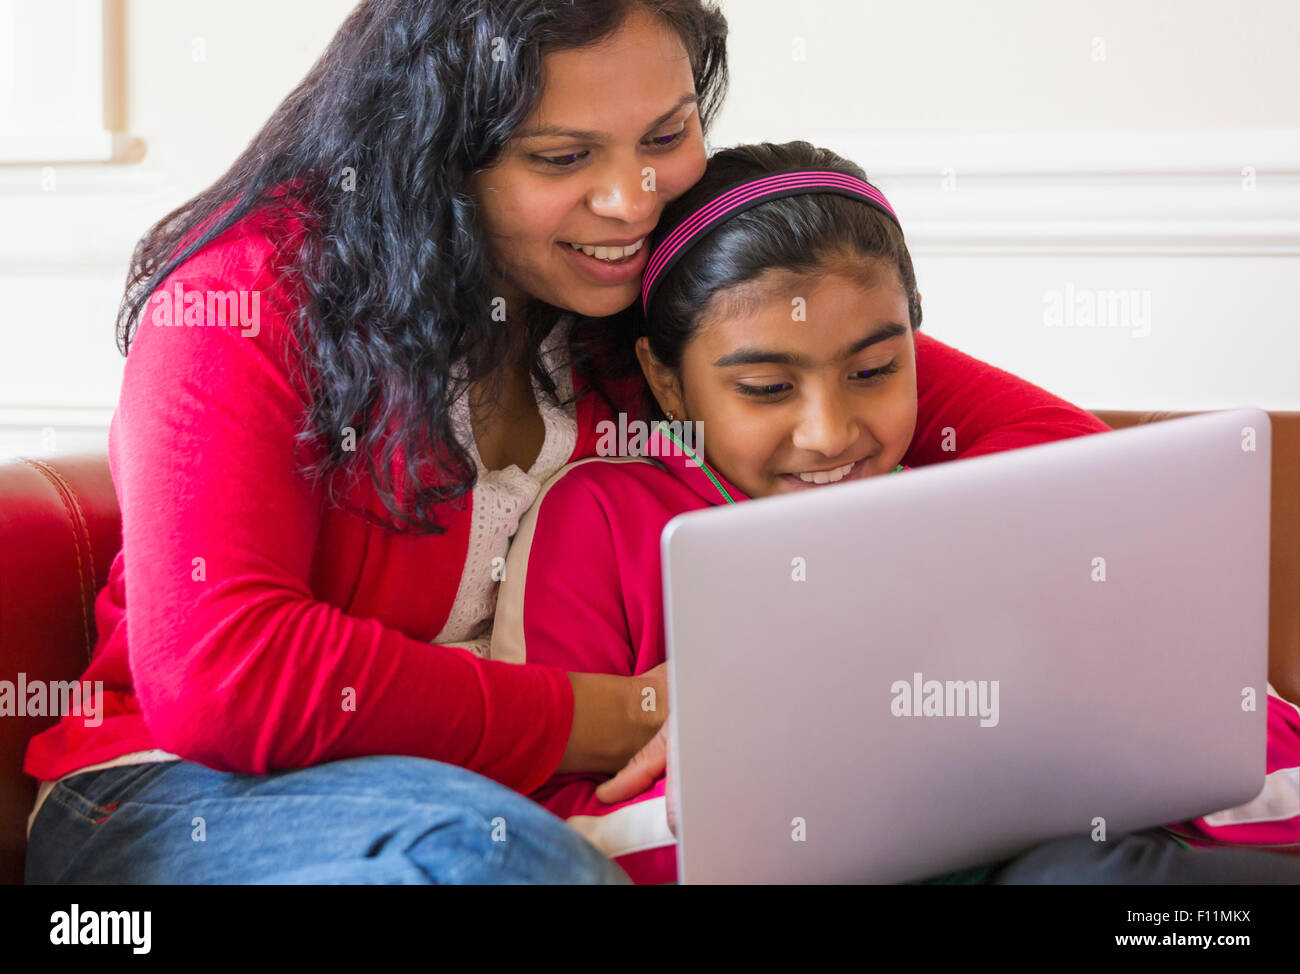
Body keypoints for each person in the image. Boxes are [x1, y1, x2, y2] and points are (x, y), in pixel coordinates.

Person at [23, 0, 1125, 885]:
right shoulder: (250, 294)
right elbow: (225, 674)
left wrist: (825, 671)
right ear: (434, 158)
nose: (630, 199)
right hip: (192, 788)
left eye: (665, 135)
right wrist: (642, 708)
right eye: (561, 156)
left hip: (523, 794)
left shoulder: (635, 303)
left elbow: (1059, 468)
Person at [487, 140, 1300, 884]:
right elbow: (553, 834)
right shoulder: (594, 517)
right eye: (766, 388)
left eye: (875, 370)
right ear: (666, 382)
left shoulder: (980, 512)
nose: (830, 433)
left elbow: (1264, 758)